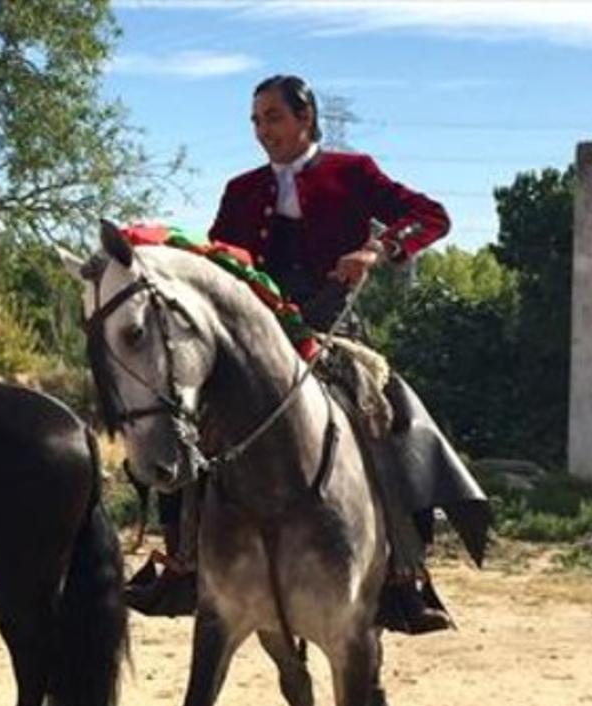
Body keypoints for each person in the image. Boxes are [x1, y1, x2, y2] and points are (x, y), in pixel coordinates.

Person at [130, 74, 457, 634]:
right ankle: (182, 560)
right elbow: (220, 262)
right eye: (256, 121)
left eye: (273, 118)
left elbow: (433, 216)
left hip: (332, 326)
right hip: (257, 337)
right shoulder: (241, 189)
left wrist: (376, 250)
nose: (263, 131)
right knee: (185, 419)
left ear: (304, 119)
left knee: (385, 417)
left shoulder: (353, 173)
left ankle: (403, 570)